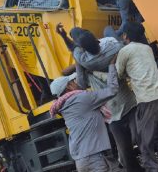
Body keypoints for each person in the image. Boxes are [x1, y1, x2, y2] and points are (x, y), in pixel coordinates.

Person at [56, 23, 144, 172]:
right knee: (141, 138)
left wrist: (64, 37)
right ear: (96, 40)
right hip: (128, 101)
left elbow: (82, 83)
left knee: (126, 151)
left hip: (111, 111)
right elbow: (121, 44)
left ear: (82, 48)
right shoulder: (113, 46)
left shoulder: (84, 61)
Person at [115, 22, 158, 172]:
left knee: (144, 142)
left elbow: (118, 74)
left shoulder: (125, 51)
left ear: (125, 36)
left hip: (147, 100)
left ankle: (153, 169)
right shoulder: (147, 48)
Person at [49, 57, 122, 172]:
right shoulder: (83, 98)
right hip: (95, 157)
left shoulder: (63, 106)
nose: (76, 82)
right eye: (73, 81)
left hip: (81, 161)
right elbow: (112, 90)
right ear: (68, 87)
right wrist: (111, 65)